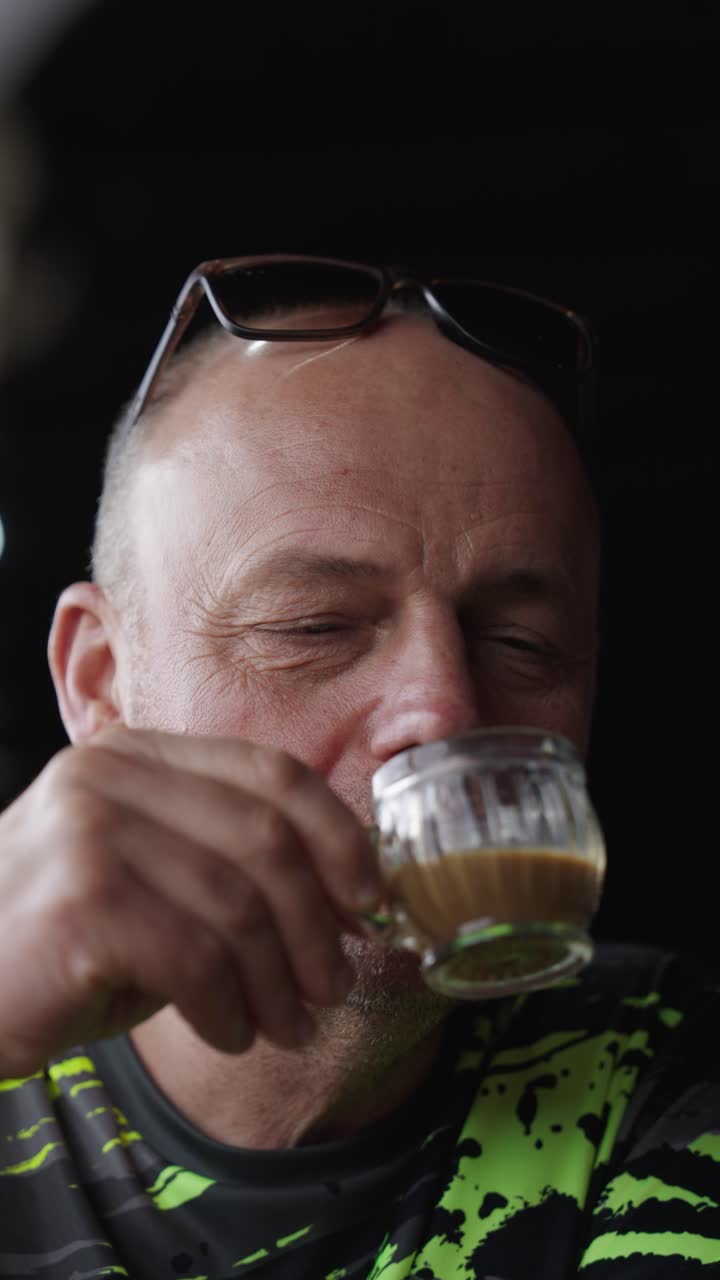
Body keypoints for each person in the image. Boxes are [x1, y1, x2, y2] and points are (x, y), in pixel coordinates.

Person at [0, 256, 718, 1278]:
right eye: (314, 625)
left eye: (521, 643)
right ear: (102, 684)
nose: (447, 711)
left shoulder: (668, 1060)